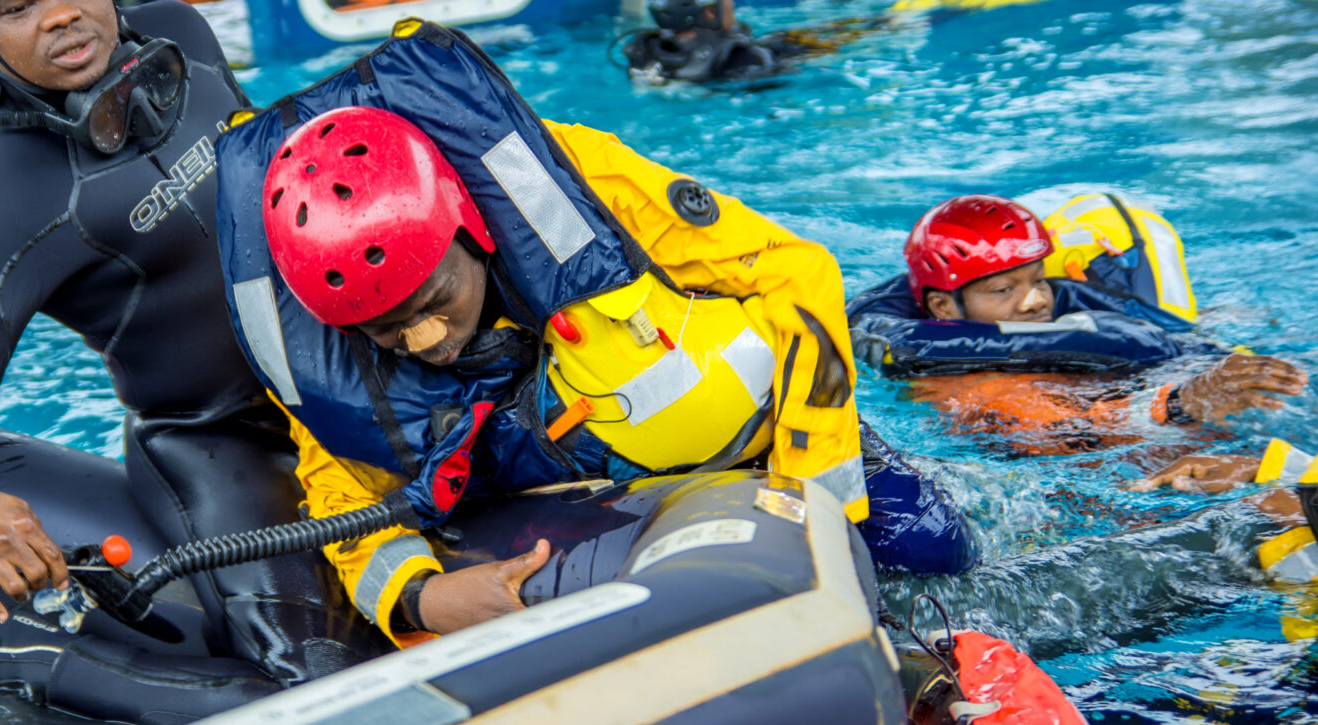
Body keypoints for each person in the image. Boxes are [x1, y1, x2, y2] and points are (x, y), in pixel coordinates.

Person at [215, 24, 974, 646]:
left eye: (436, 301)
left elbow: (793, 275)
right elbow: (339, 486)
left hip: (756, 451)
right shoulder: (317, 327)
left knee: (932, 548)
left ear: (471, 224)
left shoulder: (584, 185)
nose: (424, 341)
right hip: (558, 503)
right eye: (386, 332)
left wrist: (818, 501)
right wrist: (421, 599)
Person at [0, 0, 384, 725]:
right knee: (332, 702)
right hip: (221, 441)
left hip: (345, 369)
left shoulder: (184, 33)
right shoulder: (5, 204)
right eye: (16, 7)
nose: (59, 14)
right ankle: (49, 659)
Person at [847, 194, 1306, 454]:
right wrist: (1181, 402)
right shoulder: (961, 384)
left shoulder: (1066, 324)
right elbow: (1070, 433)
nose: (1033, 302)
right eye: (1003, 290)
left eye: (1038, 281)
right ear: (944, 309)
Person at [621, 0, 880, 85]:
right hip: (780, 57)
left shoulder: (644, 50)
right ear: (709, 13)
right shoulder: (746, 59)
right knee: (835, 39)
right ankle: (888, 24)